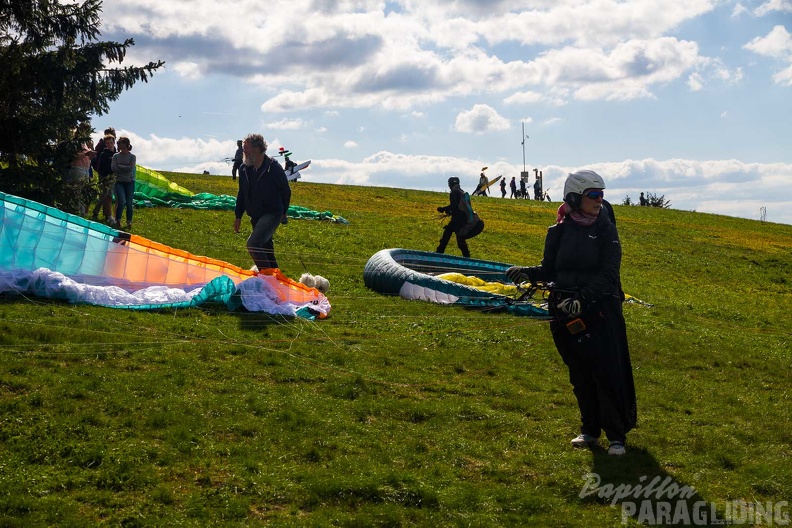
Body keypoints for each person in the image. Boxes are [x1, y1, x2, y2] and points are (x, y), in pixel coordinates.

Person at [505, 170, 636, 456]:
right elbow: (550, 269)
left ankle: (616, 436)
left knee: (606, 371)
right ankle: (589, 430)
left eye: (601, 195)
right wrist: (526, 272)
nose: (599, 200)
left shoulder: (605, 228)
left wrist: (584, 298)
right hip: (564, 310)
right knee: (579, 372)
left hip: (600, 309)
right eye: (593, 195)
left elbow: (609, 273)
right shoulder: (557, 231)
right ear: (575, 197)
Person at [233, 133, 291, 271]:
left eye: (247, 148)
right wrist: (238, 215)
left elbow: (286, 191)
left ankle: (267, 279)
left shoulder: (273, 168)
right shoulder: (244, 169)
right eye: (243, 148)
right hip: (256, 215)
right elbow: (242, 193)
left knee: (253, 244)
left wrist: (283, 212)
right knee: (267, 251)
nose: (244, 151)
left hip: (272, 213)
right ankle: (276, 282)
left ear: (258, 149)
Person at [435, 176, 484, 258]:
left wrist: (443, 209)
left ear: (450, 184)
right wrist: (450, 211)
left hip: (464, 220)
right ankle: (465, 257)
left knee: (455, 235)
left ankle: (439, 253)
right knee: (454, 235)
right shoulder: (461, 192)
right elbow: (459, 207)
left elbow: (455, 206)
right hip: (463, 219)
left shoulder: (455, 192)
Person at [91, 134, 117, 225]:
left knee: (107, 196)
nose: (109, 144)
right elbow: (101, 167)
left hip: (113, 177)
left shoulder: (116, 154)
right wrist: (104, 177)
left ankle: (103, 213)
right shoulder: (104, 154)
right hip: (105, 177)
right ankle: (104, 214)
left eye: (111, 142)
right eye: (107, 143)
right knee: (105, 195)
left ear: (114, 143)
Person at [111, 136, 136, 230]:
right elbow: (113, 168)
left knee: (129, 203)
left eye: (121, 143)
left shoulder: (132, 157)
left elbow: (131, 168)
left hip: (129, 182)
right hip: (119, 181)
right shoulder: (116, 156)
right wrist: (125, 167)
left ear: (126, 144)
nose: (119, 145)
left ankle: (129, 221)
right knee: (121, 201)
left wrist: (120, 166)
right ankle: (118, 220)